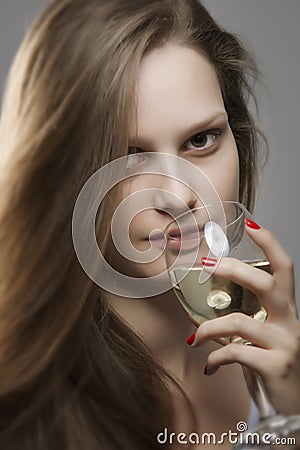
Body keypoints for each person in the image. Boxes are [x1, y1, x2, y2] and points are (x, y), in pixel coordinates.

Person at [0, 0, 299, 449]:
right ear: (61, 172)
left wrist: (291, 417)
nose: (179, 196)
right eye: (128, 157)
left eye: (201, 140)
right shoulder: (24, 405)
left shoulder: (270, 349)